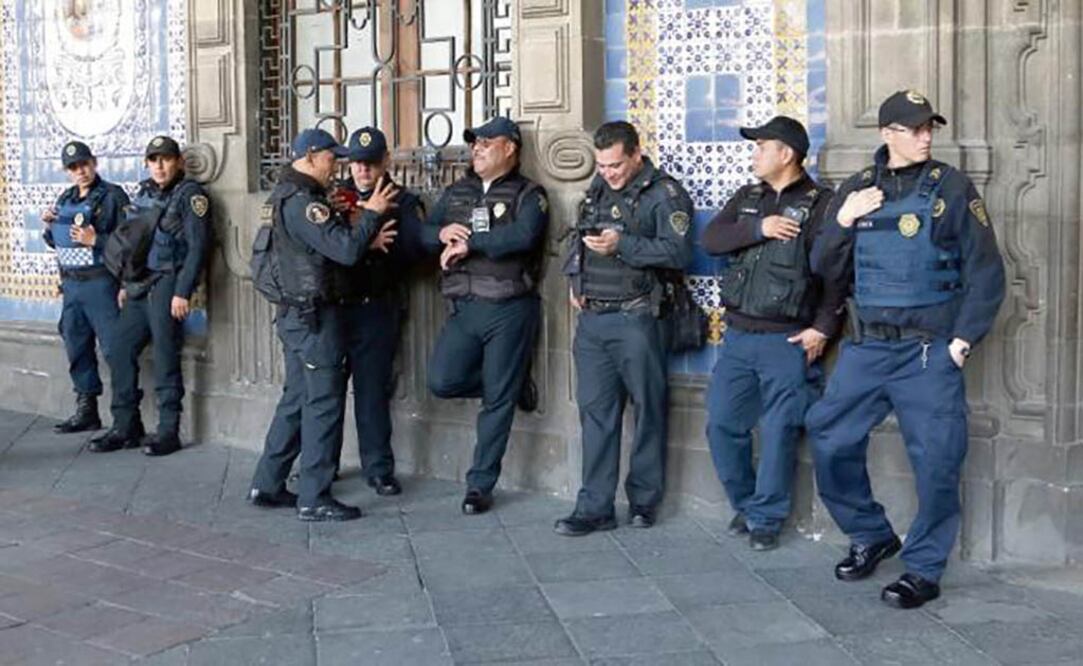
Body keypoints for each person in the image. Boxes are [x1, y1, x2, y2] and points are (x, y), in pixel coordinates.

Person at [807, 90, 1005, 608]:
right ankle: (870, 534)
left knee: (938, 461)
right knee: (828, 436)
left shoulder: (952, 188)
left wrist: (961, 342)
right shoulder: (856, 189)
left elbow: (986, 270)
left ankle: (923, 567)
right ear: (886, 134)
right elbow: (825, 268)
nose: (924, 137)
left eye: (928, 129)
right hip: (867, 348)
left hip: (926, 354)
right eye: (914, 129)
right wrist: (843, 219)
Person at [701, 116, 839, 551]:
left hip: (788, 338)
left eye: (761, 146)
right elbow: (711, 240)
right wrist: (757, 229)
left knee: (780, 431)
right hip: (740, 335)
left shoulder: (821, 204)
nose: (754, 154)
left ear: (786, 154)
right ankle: (746, 503)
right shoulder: (749, 198)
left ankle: (767, 518)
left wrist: (822, 328)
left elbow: (836, 274)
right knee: (722, 424)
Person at [554, 120, 694, 536]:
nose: (608, 173)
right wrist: (576, 283)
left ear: (636, 154)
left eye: (616, 164)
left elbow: (680, 251)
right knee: (596, 414)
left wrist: (623, 245)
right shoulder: (597, 188)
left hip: (638, 318)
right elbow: (577, 239)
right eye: (602, 165)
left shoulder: (664, 194)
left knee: (648, 409)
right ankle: (594, 505)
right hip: (593, 320)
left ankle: (644, 502)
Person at [248, 128, 392, 521]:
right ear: (310, 156)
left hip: (294, 315)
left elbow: (317, 250)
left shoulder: (283, 196)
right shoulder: (306, 203)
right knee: (323, 404)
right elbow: (344, 250)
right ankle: (315, 496)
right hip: (315, 319)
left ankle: (268, 481)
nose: (337, 165)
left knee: (296, 398)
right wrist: (373, 217)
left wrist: (364, 237)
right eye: (332, 157)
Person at [421, 117, 549, 515]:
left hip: (509, 306)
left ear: (510, 148)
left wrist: (470, 243)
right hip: (465, 306)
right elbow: (421, 232)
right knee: (442, 380)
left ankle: (479, 485)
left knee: (495, 404)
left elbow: (523, 237)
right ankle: (510, 387)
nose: (476, 149)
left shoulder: (530, 193)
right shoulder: (458, 191)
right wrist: (440, 236)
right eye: (474, 143)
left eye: (486, 143)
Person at [90, 136, 211, 456]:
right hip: (139, 285)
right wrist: (124, 285)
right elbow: (132, 245)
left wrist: (183, 292)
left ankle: (168, 430)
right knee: (118, 348)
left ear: (179, 162)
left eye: (166, 159)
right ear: (147, 163)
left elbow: (199, 248)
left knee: (166, 354)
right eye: (153, 160)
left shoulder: (191, 196)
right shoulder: (143, 194)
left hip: (169, 283)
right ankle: (125, 425)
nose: (159, 166)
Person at [329, 126, 426, 496]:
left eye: (370, 164)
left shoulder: (403, 201)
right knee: (328, 392)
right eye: (356, 163)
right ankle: (325, 462)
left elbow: (414, 252)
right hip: (337, 309)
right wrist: (366, 239)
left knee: (372, 393)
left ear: (385, 161)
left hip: (376, 309)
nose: (362, 171)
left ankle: (378, 468)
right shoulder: (336, 200)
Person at [41, 141, 129, 434]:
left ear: (94, 162)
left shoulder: (113, 196)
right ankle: (86, 409)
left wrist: (98, 241)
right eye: (73, 167)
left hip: (101, 283)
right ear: (67, 171)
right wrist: (50, 226)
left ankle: (125, 419)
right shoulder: (65, 198)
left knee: (115, 350)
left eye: (84, 164)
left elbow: (129, 243)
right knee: (76, 346)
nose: (81, 171)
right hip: (72, 286)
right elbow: (58, 241)